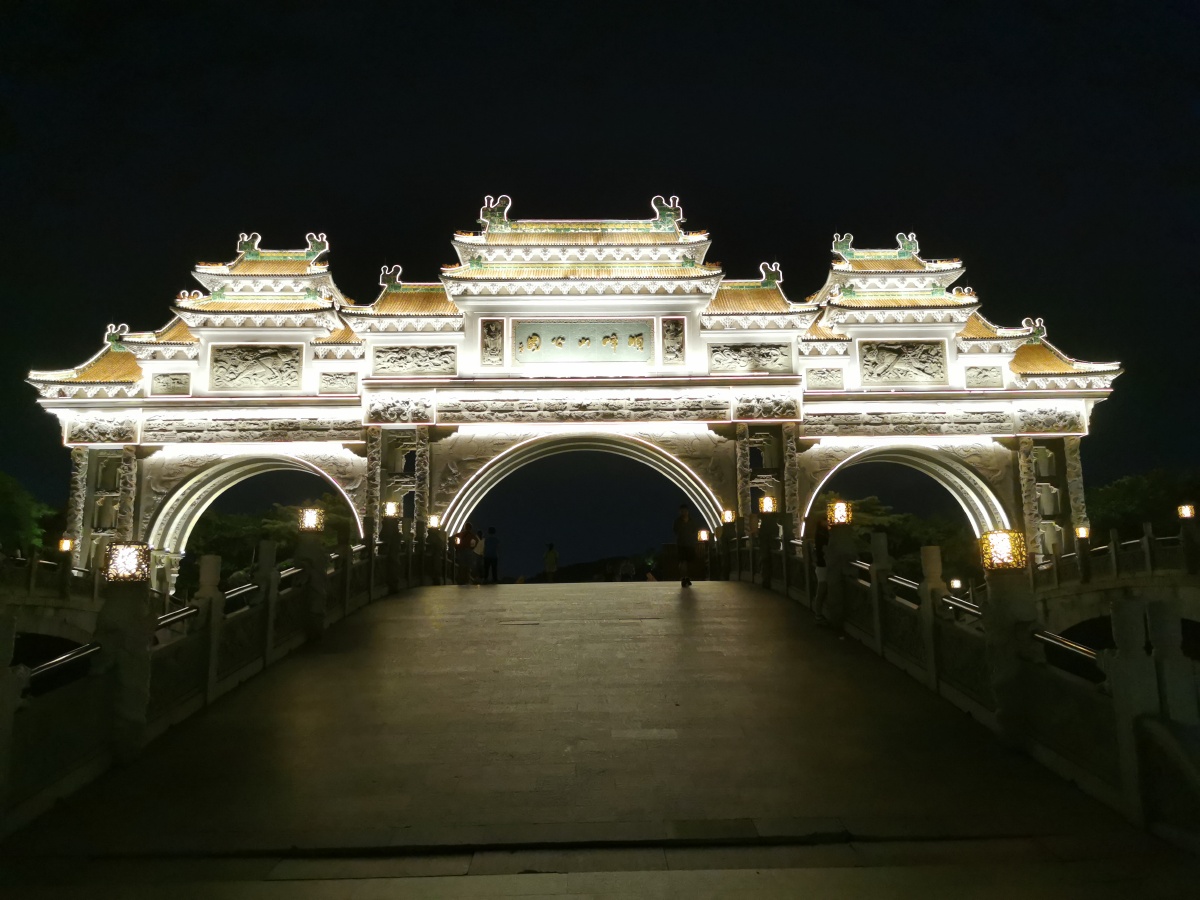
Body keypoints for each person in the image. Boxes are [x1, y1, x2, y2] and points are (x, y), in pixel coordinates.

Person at [672, 504, 695, 587]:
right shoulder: (677, 521)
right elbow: (675, 531)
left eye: (685, 511)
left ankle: (687, 578)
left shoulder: (692, 521)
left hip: (690, 544)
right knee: (682, 562)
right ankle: (683, 578)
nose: (684, 513)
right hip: (681, 544)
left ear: (687, 511)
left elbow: (695, 530)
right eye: (682, 511)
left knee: (689, 563)